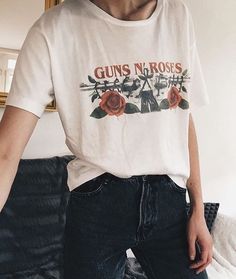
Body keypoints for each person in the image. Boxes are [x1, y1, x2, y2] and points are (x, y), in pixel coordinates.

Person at [0, 0, 213, 278]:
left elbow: (183, 119)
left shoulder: (177, 15)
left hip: (170, 206)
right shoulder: (54, 29)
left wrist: (197, 208)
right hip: (97, 206)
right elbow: (6, 151)